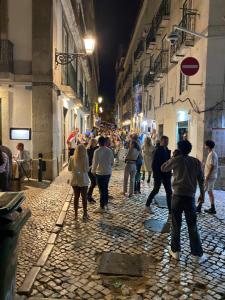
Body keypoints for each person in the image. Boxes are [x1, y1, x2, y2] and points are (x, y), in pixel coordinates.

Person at [161, 140, 206, 263]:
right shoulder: (196, 162)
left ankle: (175, 251)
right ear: (190, 150)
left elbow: (163, 168)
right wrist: (202, 194)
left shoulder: (176, 160)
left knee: (176, 224)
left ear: (179, 149)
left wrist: (172, 159)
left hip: (177, 197)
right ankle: (196, 255)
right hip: (190, 198)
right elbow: (201, 180)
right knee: (192, 226)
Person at [145, 136, 172, 214]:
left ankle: (170, 210)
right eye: (165, 141)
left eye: (167, 141)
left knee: (169, 192)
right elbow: (154, 165)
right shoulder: (157, 150)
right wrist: (157, 175)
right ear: (161, 141)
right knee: (156, 190)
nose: (167, 143)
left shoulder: (167, 150)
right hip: (159, 175)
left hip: (166, 174)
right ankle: (147, 205)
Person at [91, 136, 114, 213]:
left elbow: (95, 163)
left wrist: (93, 171)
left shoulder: (97, 151)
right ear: (105, 142)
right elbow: (112, 162)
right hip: (108, 172)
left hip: (100, 173)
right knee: (105, 188)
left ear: (98, 143)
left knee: (101, 190)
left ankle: (102, 207)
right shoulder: (109, 151)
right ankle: (106, 203)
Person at [68, 144, 90, 222]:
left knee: (76, 197)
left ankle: (76, 215)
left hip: (75, 180)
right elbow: (86, 170)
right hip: (83, 180)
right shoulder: (85, 158)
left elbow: (69, 169)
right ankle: (85, 213)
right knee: (84, 198)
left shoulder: (72, 158)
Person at [197, 140, 218, 214]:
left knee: (204, 190)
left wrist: (207, 177)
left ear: (208, 146)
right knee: (208, 191)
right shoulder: (211, 153)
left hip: (210, 177)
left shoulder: (212, 154)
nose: (204, 146)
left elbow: (212, 166)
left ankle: (199, 207)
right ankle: (212, 208)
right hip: (211, 176)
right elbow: (210, 165)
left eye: (205, 145)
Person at [87, 139, 98, 204]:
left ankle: (88, 195)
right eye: (95, 143)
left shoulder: (96, 149)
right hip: (90, 168)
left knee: (94, 182)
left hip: (95, 168)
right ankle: (88, 196)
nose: (96, 144)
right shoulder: (88, 150)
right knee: (94, 182)